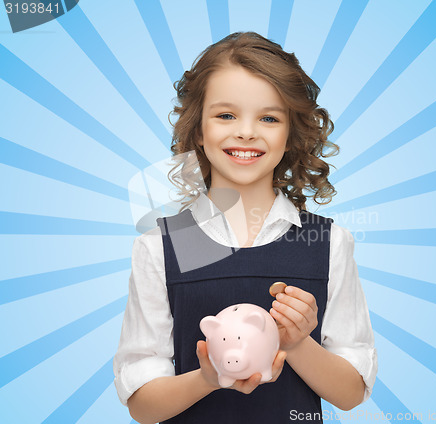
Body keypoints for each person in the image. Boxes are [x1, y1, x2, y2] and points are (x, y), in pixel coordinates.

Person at [113, 31, 377, 424]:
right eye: (226, 115)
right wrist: (209, 377)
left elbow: (351, 392)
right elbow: (141, 405)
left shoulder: (327, 243)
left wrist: (299, 342)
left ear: (290, 134)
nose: (246, 132)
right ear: (198, 130)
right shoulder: (163, 247)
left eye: (269, 118)